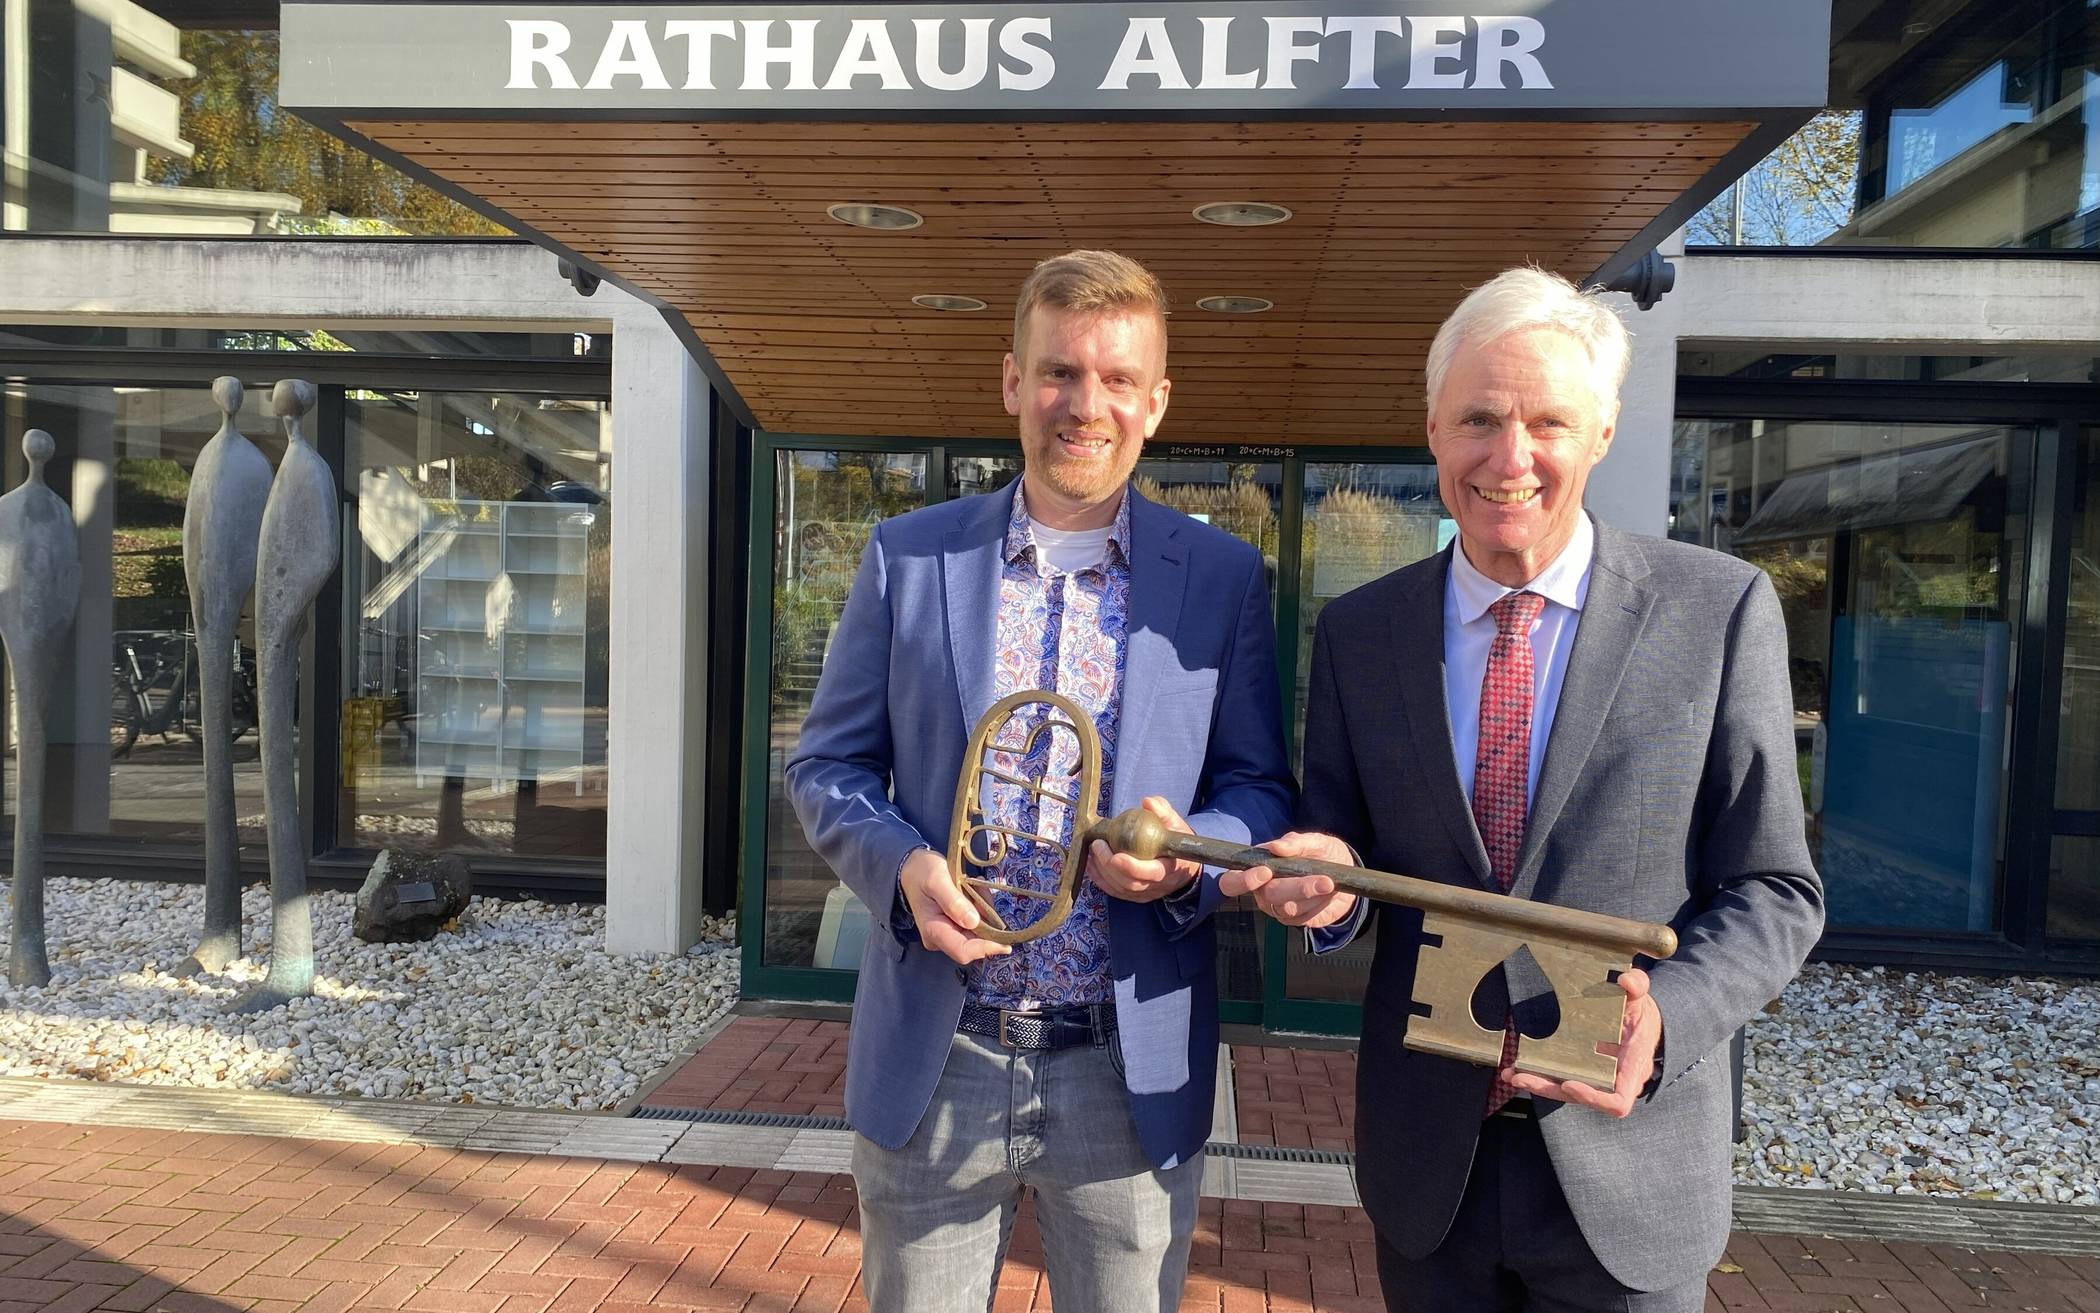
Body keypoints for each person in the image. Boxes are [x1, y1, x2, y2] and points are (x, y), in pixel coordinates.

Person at [1223, 267, 1824, 1312]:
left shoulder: (1716, 610)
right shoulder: (1362, 633)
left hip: (1629, 1163)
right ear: (1433, 431)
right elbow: (1346, 849)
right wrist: (1325, 888)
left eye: (1548, 421)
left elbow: (1776, 888)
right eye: (1479, 419)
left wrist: (1668, 1017)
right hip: (1430, 1167)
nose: (1511, 458)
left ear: (1602, 433)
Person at [786, 249, 1293, 1313]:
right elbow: (826, 764)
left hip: (1124, 1061)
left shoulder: (1223, 577)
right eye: (1059, 371)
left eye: (1118, 380)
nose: (1085, 405)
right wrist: (901, 865)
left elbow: (1259, 788)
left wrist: (1186, 857)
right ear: (1013, 381)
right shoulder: (907, 557)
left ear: (1157, 402)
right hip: (939, 1048)